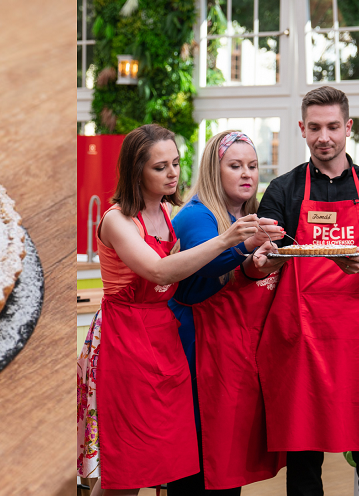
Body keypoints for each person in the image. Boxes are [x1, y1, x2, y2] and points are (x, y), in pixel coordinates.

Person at [77, 124, 264, 496]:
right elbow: (158, 270)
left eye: (176, 163)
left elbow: (184, 278)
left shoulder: (167, 213)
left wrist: (248, 254)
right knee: (126, 471)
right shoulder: (116, 220)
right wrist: (228, 240)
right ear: (136, 171)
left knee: (167, 461)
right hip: (125, 341)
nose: (173, 173)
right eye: (160, 167)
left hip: (165, 340)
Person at [255, 86, 359, 496]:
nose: (325, 137)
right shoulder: (283, 190)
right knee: (304, 464)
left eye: (333, 127)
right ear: (302, 129)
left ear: (348, 128)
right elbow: (264, 259)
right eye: (315, 127)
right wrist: (264, 255)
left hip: (357, 341)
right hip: (300, 340)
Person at [167, 131, 286, 495]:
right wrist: (247, 246)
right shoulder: (196, 217)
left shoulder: (247, 217)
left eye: (252, 166)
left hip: (232, 358)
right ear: (213, 171)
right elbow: (209, 264)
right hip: (197, 355)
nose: (247, 174)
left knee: (225, 470)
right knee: (196, 466)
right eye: (235, 166)